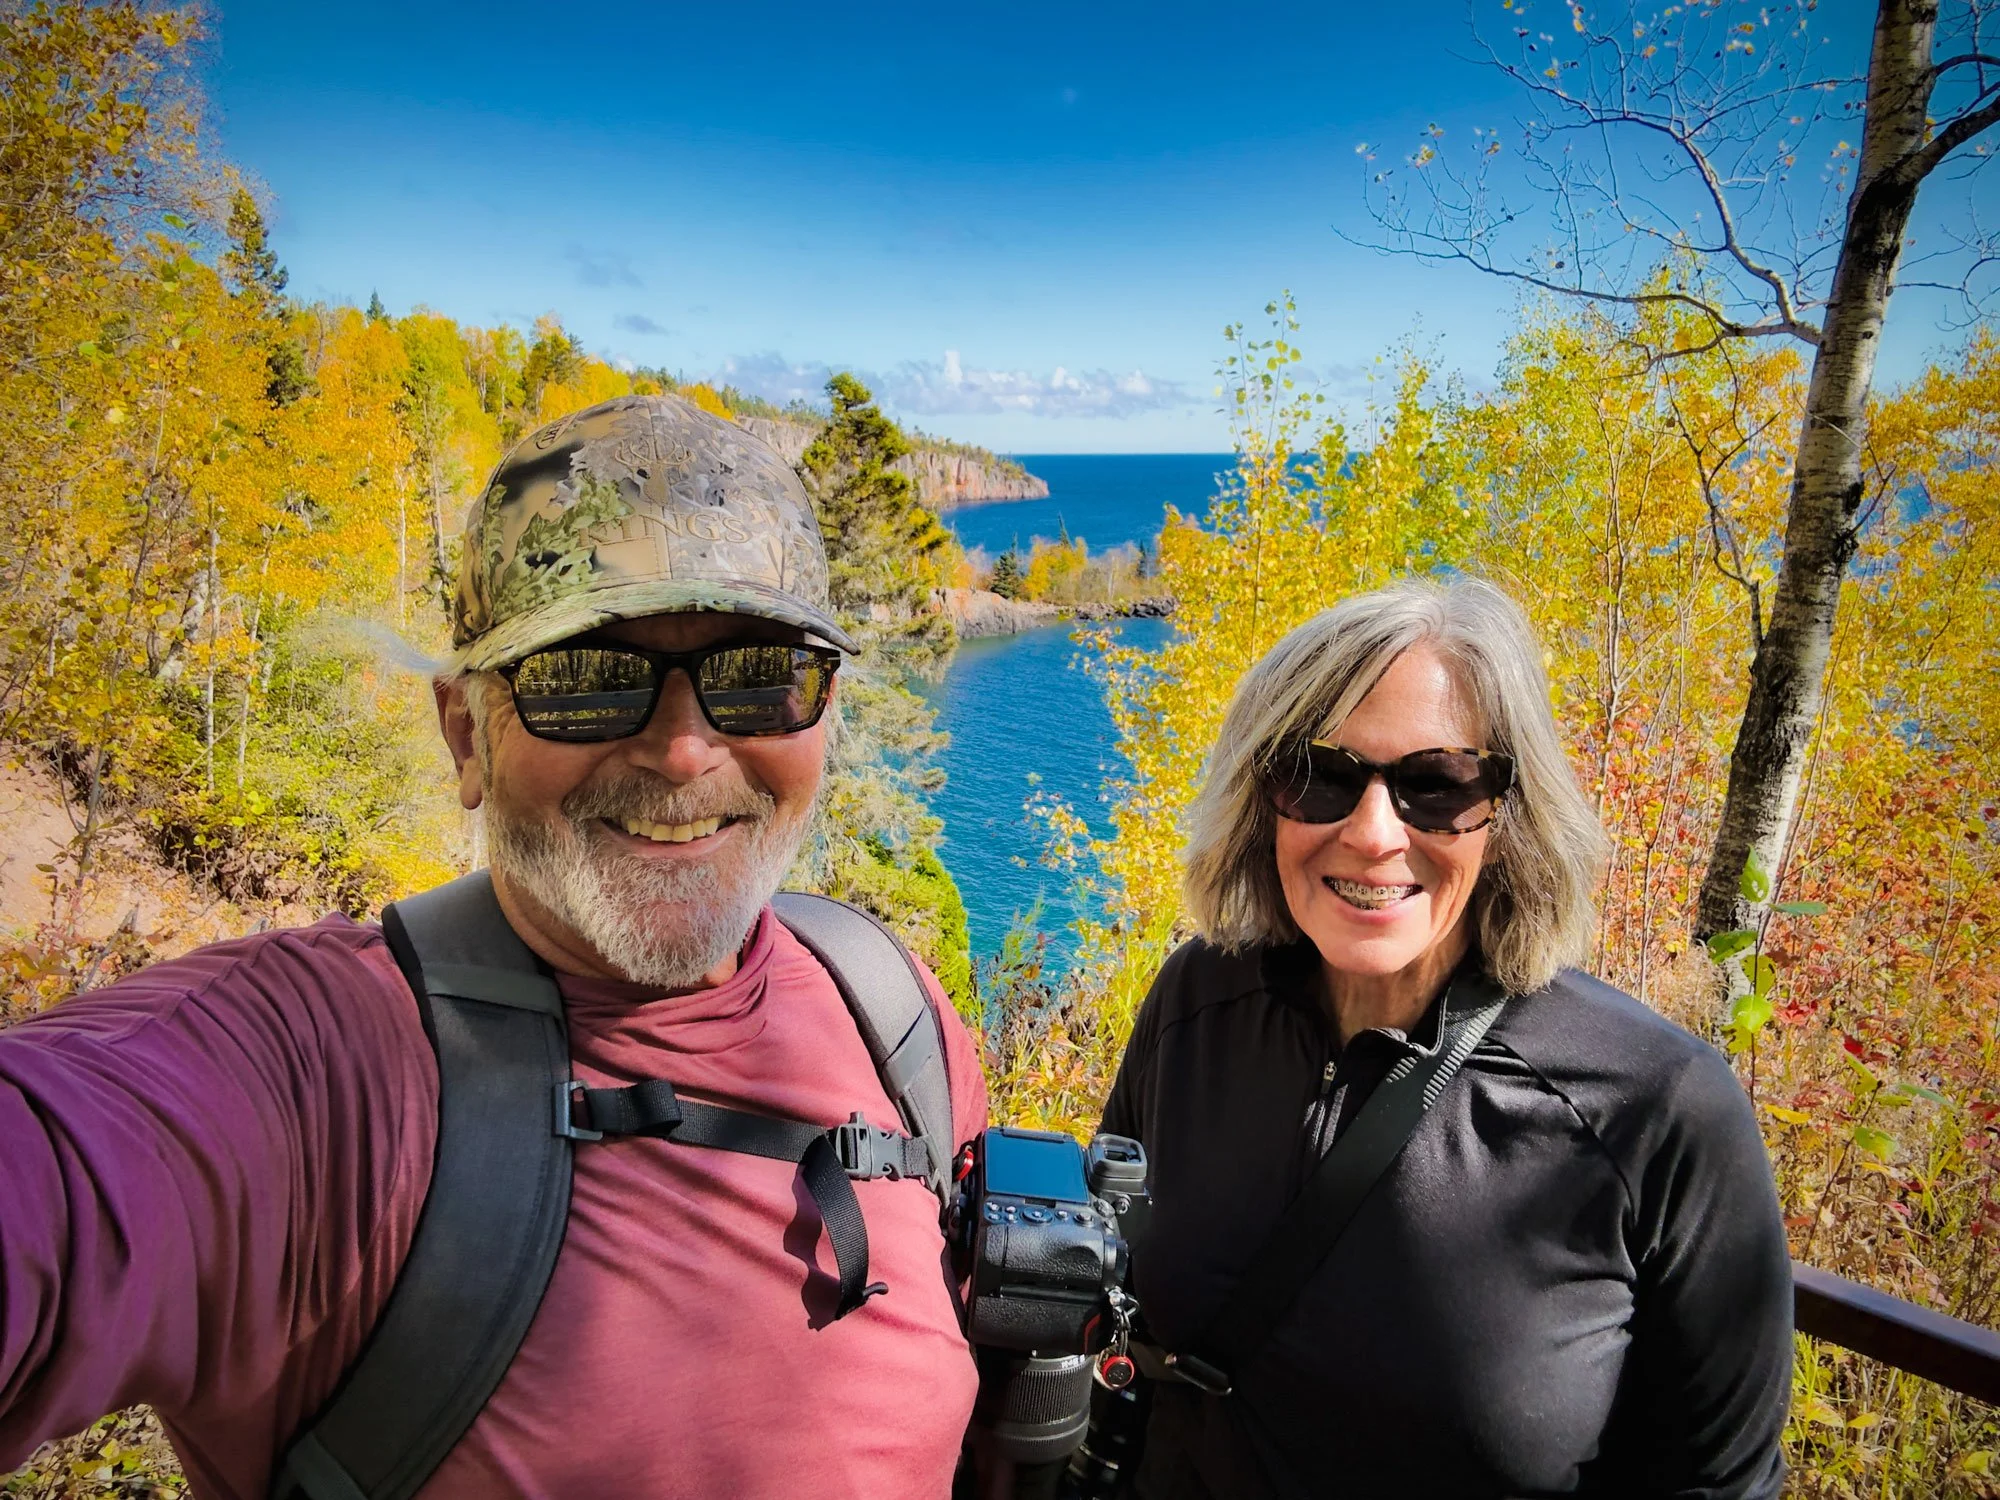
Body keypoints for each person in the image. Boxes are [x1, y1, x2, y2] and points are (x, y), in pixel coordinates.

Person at [0, 394, 988, 1498]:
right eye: (583, 677)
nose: (681, 750)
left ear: (824, 718)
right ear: (467, 733)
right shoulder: (313, 1073)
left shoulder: (889, 1011)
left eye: (759, 674)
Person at [1100, 576, 1792, 1499]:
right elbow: (1104, 1287)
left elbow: (1720, 1486)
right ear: (1264, 796)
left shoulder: (1655, 1109)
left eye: (1436, 786)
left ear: (1506, 818)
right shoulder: (1198, 1002)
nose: (1373, 833)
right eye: (1322, 775)